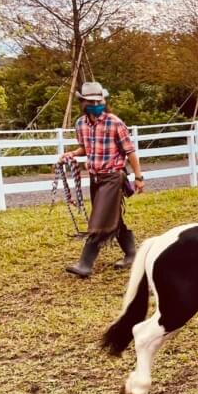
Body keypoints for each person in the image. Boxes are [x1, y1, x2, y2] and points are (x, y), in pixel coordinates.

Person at [59, 82, 145, 277]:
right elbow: (85, 148)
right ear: (83, 103)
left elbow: (130, 152)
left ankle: (85, 263)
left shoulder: (114, 122)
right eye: (92, 101)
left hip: (114, 177)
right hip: (95, 178)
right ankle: (132, 254)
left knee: (99, 220)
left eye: (100, 100)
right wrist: (72, 154)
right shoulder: (80, 124)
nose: (97, 104)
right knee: (113, 217)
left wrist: (138, 177)